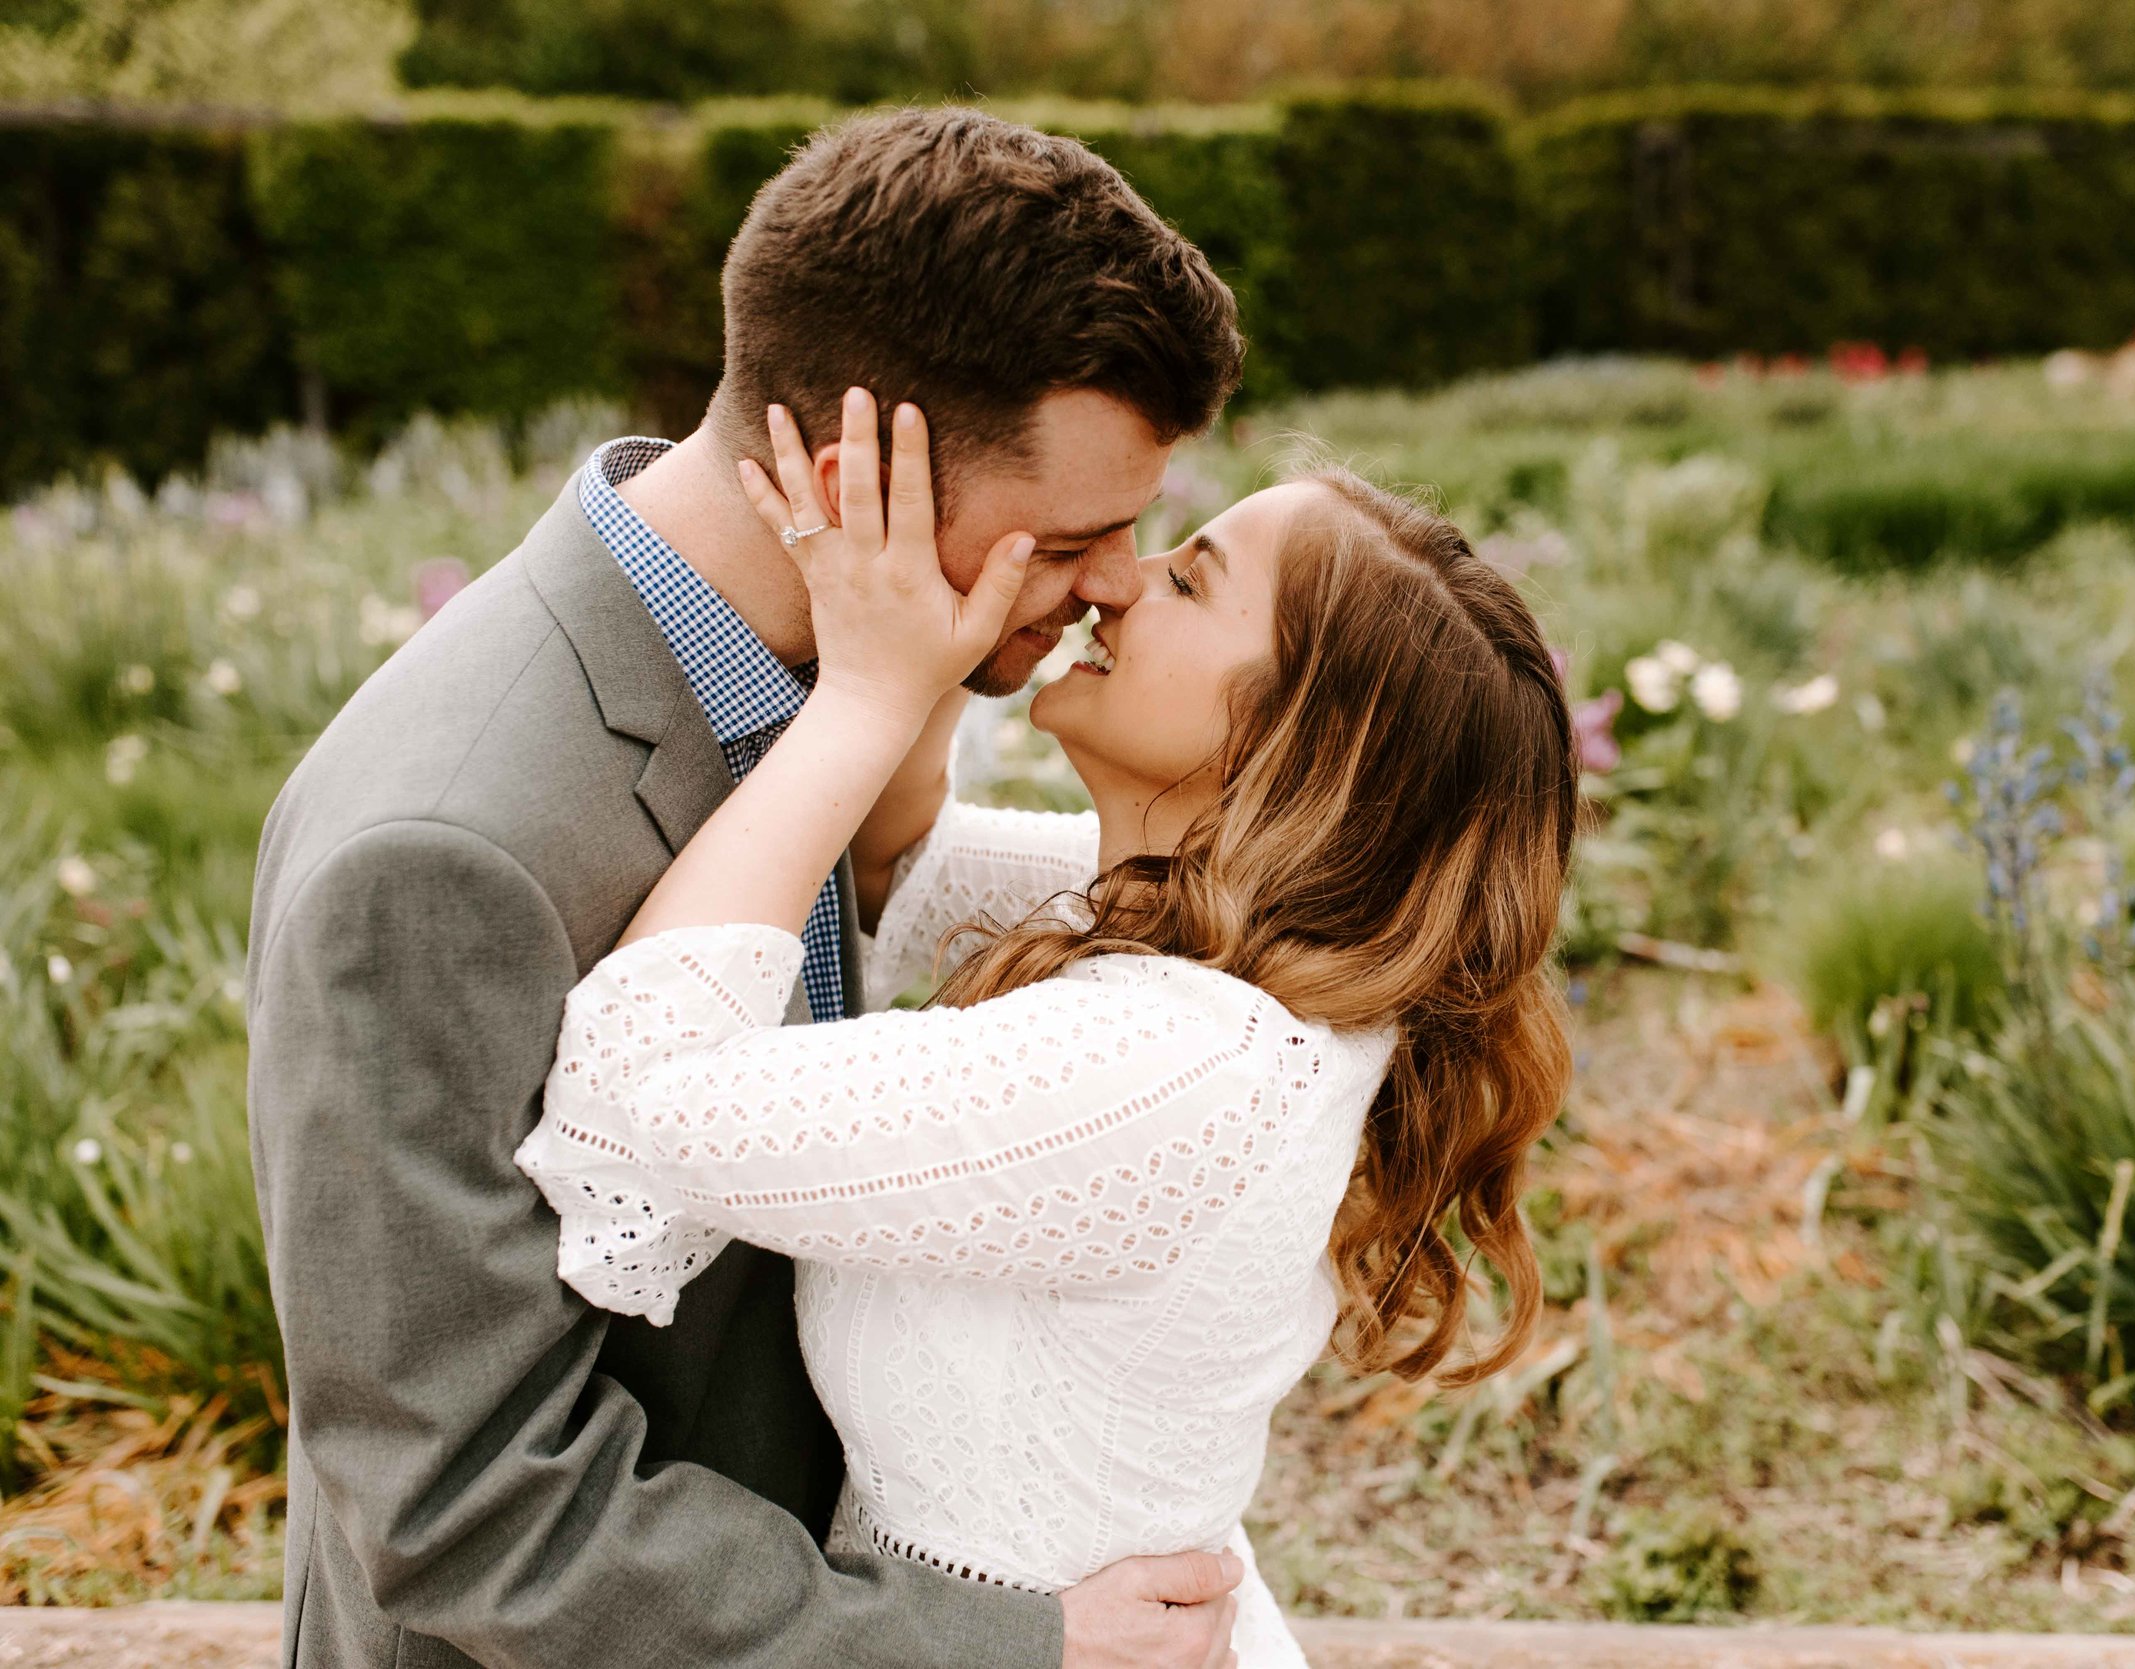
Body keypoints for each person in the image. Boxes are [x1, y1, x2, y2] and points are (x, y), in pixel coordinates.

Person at [245, 107, 1248, 1669]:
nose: (1118, 584)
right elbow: (466, 1509)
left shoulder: (818, 676)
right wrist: (999, 1650)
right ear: (863, 486)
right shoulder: (442, 857)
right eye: (1079, 538)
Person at [513, 391, 1579, 1668]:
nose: (1120, 583)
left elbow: (636, 1104)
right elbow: (900, 869)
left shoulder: (1179, 1069)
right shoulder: (1205, 928)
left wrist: (860, 696)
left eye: (1190, 581)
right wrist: (962, 624)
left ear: (1293, 741)